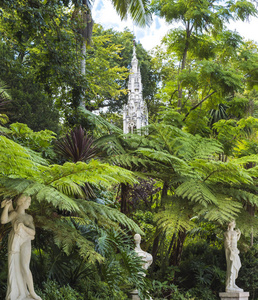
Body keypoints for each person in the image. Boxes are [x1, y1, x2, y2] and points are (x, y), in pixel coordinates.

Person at [1, 195, 42, 300]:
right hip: (15, 241)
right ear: (21, 202)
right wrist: (6, 206)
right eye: (28, 201)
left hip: (25, 241)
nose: (29, 203)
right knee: (15, 266)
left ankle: (32, 292)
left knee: (24, 266)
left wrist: (23, 227)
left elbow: (33, 233)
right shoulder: (14, 214)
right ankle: (21, 293)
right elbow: (3, 220)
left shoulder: (28, 217)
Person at [224, 220, 243, 293]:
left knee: (236, 266)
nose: (235, 224)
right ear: (231, 224)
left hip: (235, 251)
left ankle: (233, 283)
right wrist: (231, 251)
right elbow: (227, 242)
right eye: (234, 223)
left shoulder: (235, 232)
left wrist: (239, 234)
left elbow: (235, 240)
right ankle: (229, 285)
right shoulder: (227, 233)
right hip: (231, 252)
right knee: (231, 267)